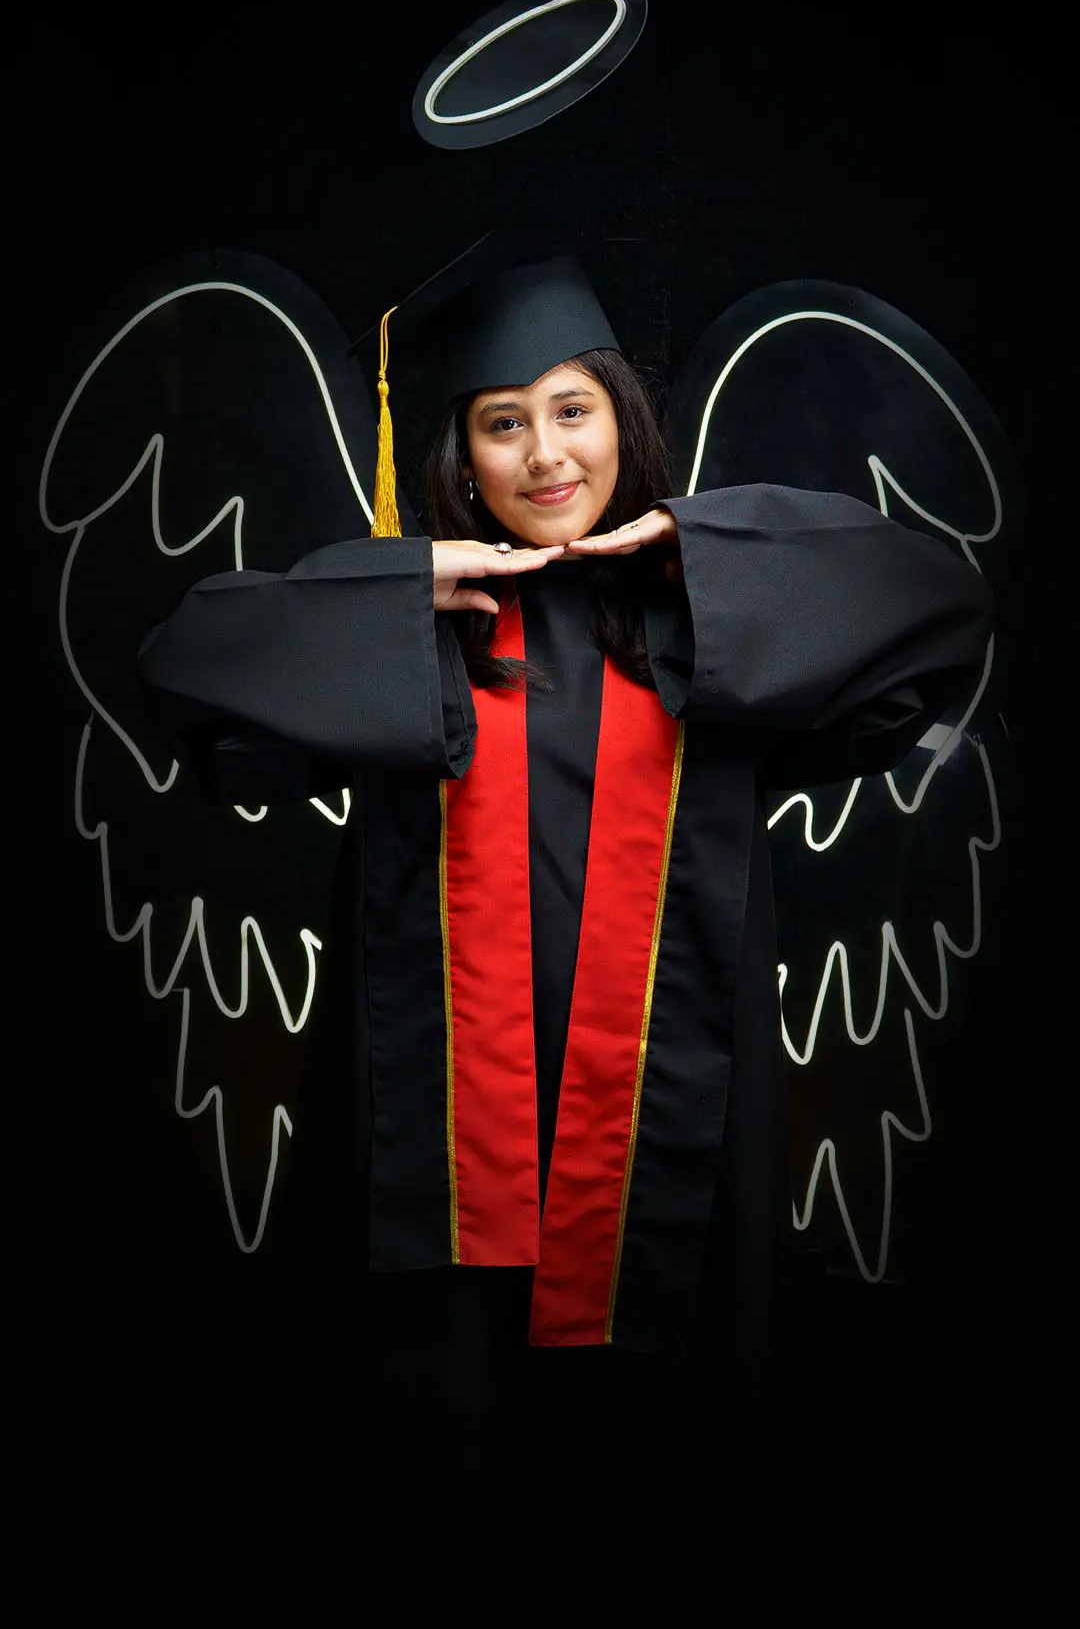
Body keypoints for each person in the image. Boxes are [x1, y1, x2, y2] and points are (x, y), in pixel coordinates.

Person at [137, 251, 993, 1539]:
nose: (545, 456)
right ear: (461, 455)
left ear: (622, 423)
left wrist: (712, 552)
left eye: (573, 410)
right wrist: (392, 589)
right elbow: (184, 666)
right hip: (440, 1151)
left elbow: (942, 609)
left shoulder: (712, 629)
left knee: (661, 1457)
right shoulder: (415, 638)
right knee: (446, 1448)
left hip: (670, 1140)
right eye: (503, 423)